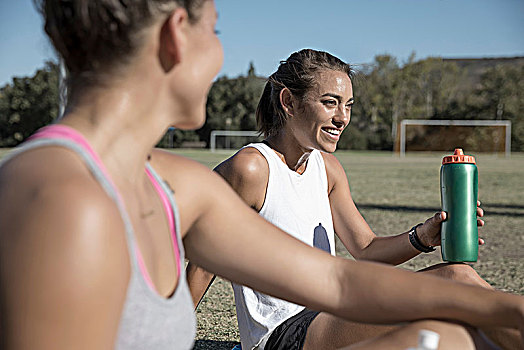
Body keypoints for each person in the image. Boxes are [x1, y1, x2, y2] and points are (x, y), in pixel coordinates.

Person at [0, 1, 522, 349]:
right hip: (289, 335)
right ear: (176, 35)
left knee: (447, 337)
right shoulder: (63, 198)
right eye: (217, 27)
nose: (223, 53)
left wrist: (499, 305)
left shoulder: (189, 187)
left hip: (320, 316)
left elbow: (336, 278)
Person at [186, 49, 521, 350]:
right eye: (330, 103)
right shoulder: (252, 167)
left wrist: (422, 236)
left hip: (335, 310)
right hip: (282, 335)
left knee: (460, 315)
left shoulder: (327, 168)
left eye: (347, 106)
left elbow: (367, 250)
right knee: (455, 280)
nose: (343, 118)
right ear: (288, 102)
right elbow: (201, 259)